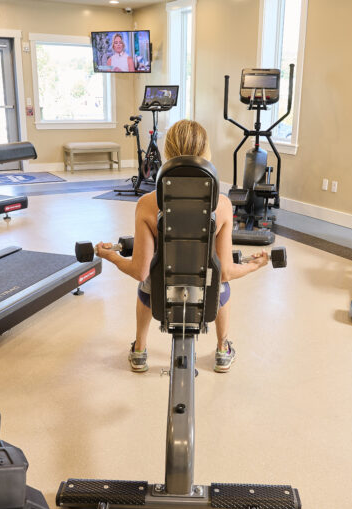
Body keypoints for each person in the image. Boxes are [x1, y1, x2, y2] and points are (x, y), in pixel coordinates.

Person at [94, 120, 269, 373]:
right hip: (207, 287)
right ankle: (222, 350)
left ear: (168, 153)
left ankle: (140, 350)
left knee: (147, 284)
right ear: (206, 153)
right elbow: (227, 271)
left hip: (160, 285)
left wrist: (110, 256)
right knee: (220, 281)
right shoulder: (222, 205)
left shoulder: (146, 203)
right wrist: (255, 265)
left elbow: (140, 272)